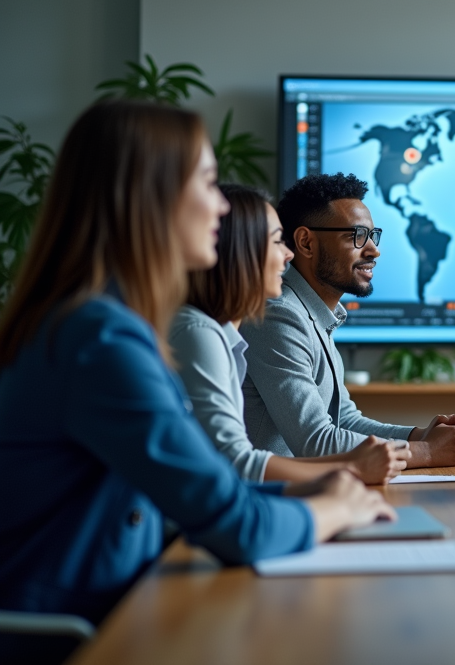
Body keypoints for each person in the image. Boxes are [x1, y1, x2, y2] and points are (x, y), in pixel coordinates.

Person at [0, 103, 394, 648]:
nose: (220, 207)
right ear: (150, 197)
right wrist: (335, 508)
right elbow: (234, 526)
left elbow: (206, 488)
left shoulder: (102, 321)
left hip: (122, 607)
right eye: (207, 183)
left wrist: (315, 493)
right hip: (85, 635)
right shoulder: (101, 340)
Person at [170, 184, 411, 485]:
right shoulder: (209, 331)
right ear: (239, 250)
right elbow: (237, 463)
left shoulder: (223, 335)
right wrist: (406, 455)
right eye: (276, 242)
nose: (287, 255)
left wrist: (420, 437)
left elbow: (343, 419)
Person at [241, 173, 455, 467]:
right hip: (272, 499)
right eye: (356, 236)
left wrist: (420, 436)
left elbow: (344, 420)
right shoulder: (279, 316)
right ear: (306, 243)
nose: (373, 250)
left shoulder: (316, 315)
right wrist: (427, 452)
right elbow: (316, 441)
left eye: (373, 235)